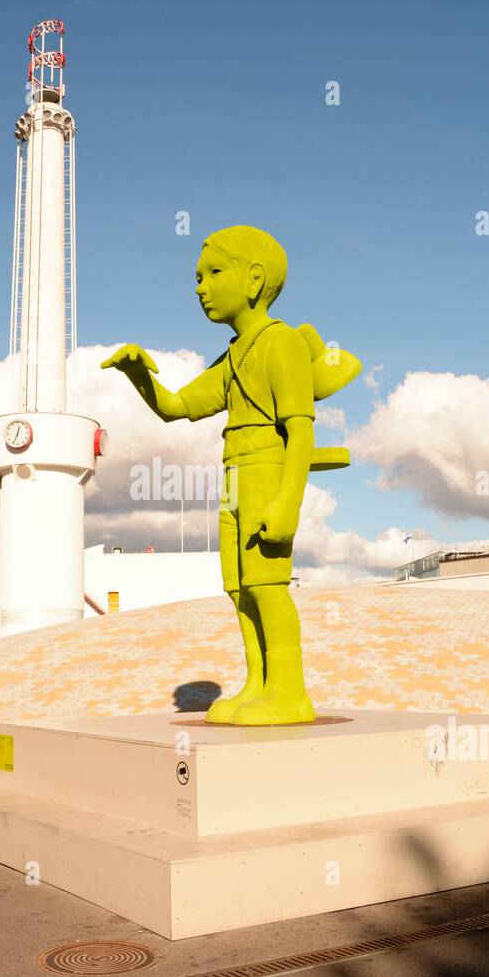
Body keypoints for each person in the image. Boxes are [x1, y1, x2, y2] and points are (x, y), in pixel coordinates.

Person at [101, 224, 360, 725]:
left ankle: (289, 692)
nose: (200, 286)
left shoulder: (279, 343)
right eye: (198, 276)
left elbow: (301, 433)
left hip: (266, 470)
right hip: (233, 477)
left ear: (254, 278)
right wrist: (139, 375)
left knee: (268, 586)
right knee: (240, 589)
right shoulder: (232, 357)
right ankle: (258, 685)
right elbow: (176, 407)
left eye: (213, 272)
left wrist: (288, 504)